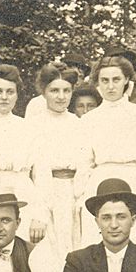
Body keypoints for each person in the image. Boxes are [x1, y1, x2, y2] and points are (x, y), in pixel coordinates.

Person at [77, 55, 136, 248]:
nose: (111, 86)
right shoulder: (89, 120)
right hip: (99, 182)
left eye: (116, 80)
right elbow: (84, 163)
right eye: (105, 80)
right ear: (97, 83)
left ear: (127, 80)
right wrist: (80, 199)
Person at [0, 64, 47, 244]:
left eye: (10, 92)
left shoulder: (31, 129)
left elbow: (43, 177)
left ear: (17, 94)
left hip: (25, 196)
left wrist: (40, 215)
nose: (4, 97)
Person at [29, 63, 86, 257]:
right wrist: (40, 211)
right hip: (45, 192)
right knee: (48, 252)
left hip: (74, 194)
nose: (61, 97)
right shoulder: (34, 125)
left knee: (75, 247)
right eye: (54, 90)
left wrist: (80, 198)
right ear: (43, 92)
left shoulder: (79, 124)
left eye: (66, 90)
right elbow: (36, 170)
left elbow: (85, 164)